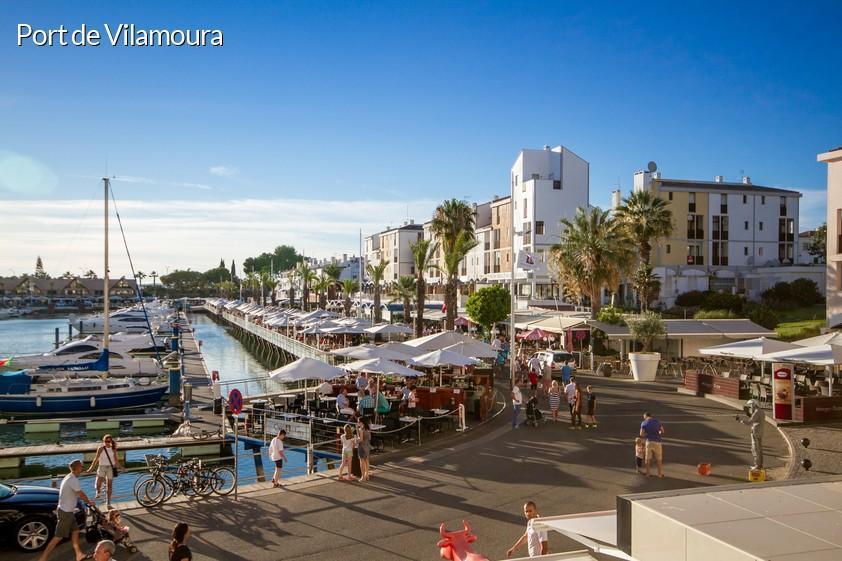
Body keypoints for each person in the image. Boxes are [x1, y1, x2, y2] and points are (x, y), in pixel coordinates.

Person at [38, 459, 94, 561]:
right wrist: (89, 501)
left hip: (67, 511)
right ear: (77, 468)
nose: (82, 469)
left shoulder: (68, 477)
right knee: (58, 537)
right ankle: (42, 559)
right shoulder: (73, 480)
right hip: (66, 513)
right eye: (81, 467)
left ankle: (79, 554)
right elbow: (80, 494)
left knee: (76, 531)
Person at [87, 434, 121, 507]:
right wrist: (90, 468)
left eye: (108, 441)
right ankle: (98, 491)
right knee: (98, 483)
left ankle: (108, 502)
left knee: (109, 486)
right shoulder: (101, 448)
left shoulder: (113, 449)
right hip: (102, 467)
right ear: (103, 441)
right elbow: (96, 459)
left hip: (110, 468)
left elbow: (116, 459)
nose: (107, 442)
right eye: (105, 441)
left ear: (111, 441)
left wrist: (121, 467)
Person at [737, 399, 765, 469]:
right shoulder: (761, 411)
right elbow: (755, 419)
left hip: (755, 432)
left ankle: (757, 466)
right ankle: (760, 465)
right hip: (760, 432)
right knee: (759, 449)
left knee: (755, 449)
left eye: (751, 405)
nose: (750, 406)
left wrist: (740, 420)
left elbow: (749, 422)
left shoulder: (756, 412)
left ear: (754, 405)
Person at [640, 412, 665, 477]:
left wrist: (647, 434)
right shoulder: (657, 421)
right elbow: (662, 431)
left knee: (647, 458)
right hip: (657, 442)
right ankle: (659, 474)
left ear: (645, 416)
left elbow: (641, 434)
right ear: (651, 416)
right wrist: (658, 433)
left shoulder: (643, 423)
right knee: (659, 459)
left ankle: (648, 473)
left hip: (649, 442)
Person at [357, 417, 372, 481]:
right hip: (367, 446)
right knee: (366, 461)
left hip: (362, 447)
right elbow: (369, 438)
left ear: (361, 422)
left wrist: (356, 440)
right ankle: (367, 475)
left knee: (361, 462)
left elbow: (361, 440)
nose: (358, 423)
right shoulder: (368, 429)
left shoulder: (361, 429)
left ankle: (363, 477)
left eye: (358, 422)